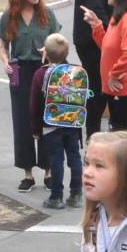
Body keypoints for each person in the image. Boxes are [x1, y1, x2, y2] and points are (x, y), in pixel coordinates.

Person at [0, 0, 60, 193]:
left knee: (45, 119)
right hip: (19, 70)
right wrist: (5, 62)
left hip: (43, 70)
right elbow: (3, 46)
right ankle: (27, 173)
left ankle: (49, 170)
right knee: (22, 121)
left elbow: (59, 42)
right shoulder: (9, 17)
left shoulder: (46, 14)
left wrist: (49, 50)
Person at [80, 0, 127, 135]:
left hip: (125, 89)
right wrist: (96, 25)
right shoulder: (118, 18)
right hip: (113, 91)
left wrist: (114, 75)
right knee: (117, 135)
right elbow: (108, 48)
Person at [73, 0, 122, 140]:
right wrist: (114, 35)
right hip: (93, 44)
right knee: (97, 94)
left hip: (108, 40)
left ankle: (116, 137)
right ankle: (92, 137)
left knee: (113, 94)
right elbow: (96, 9)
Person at [29, 33, 83, 210]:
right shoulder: (75, 71)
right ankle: (76, 194)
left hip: (50, 124)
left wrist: (36, 129)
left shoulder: (41, 74)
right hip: (72, 122)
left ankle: (56, 196)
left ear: (46, 53)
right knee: (74, 158)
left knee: (56, 160)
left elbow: (34, 104)